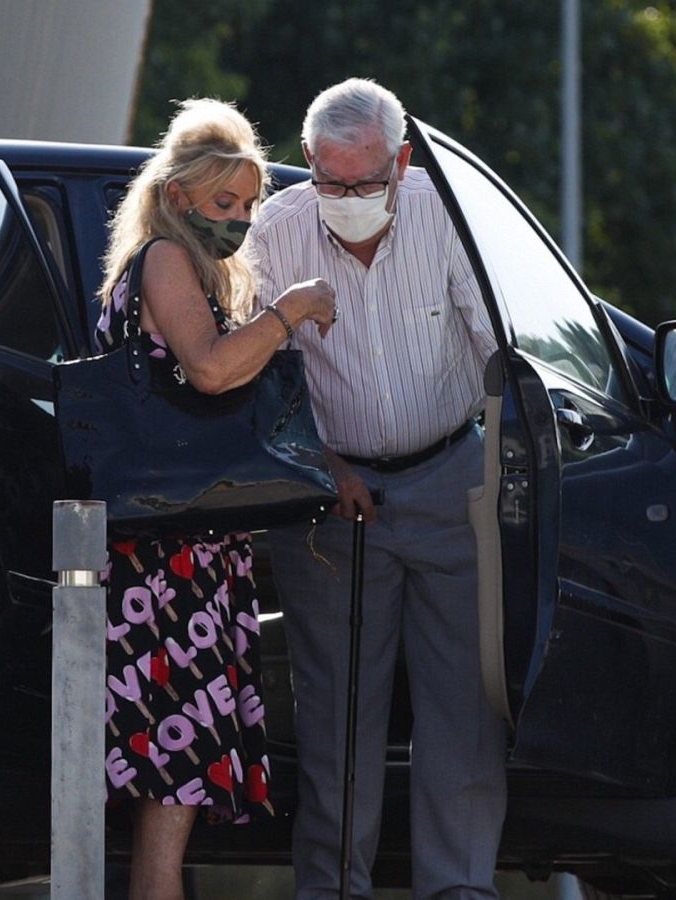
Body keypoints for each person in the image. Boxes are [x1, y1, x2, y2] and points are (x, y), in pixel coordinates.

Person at [247, 78, 508, 899]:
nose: (348, 198)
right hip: (330, 500)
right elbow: (249, 380)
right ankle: (332, 890)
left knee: (464, 711)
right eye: (330, 180)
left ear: (401, 161)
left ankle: (458, 888)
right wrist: (324, 465)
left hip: (449, 478)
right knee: (338, 717)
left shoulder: (448, 210)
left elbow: (502, 346)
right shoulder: (276, 230)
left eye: (365, 182)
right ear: (307, 163)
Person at [96, 99, 336, 900]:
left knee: (177, 780)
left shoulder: (173, 262)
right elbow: (209, 368)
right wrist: (287, 313)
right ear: (178, 197)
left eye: (248, 204)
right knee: (175, 772)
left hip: (184, 546)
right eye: (224, 204)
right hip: (167, 557)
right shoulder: (166, 259)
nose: (240, 220)